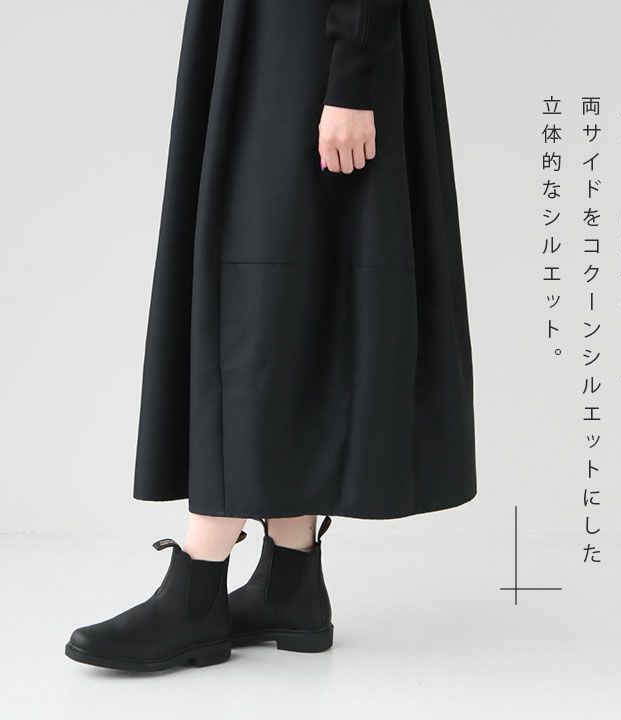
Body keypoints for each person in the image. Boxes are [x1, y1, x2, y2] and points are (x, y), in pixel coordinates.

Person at [65, 0, 476, 672]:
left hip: (311, 46)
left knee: (263, 293)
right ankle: (290, 578)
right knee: (286, 288)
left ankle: (200, 582)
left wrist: (353, 73)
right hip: (266, 37)